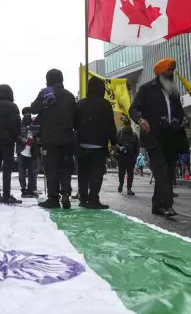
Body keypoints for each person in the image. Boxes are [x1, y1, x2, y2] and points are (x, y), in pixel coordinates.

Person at [129, 58, 187, 217]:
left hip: (171, 137)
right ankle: (167, 205)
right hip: (153, 137)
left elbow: (179, 111)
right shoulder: (146, 89)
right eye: (168, 70)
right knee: (161, 170)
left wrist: (183, 119)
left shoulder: (173, 91)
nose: (171, 74)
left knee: (168, 172)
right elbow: (133, 109)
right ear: (161, 72)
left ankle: (157, 205)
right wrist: (140, 119)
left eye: (172, 70)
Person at [30, 69, 77, 209]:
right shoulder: (69, 96)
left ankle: (53, 198)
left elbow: (33, 109)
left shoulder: (45, 93)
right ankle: (66, 194)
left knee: (52, 168)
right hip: (67, 138)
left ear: (48, 79)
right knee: (65, 167)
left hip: (49, 139)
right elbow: (75, 117)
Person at [75, 77, 116, 209]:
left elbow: (74, 124)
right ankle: (93, 199)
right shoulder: (105, 104)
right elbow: (110, 126)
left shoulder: (80, 104)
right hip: (99, 144)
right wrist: (114, 143)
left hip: (81, 144)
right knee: (96, 173)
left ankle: (82, 197)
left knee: (83, 173)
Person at [17, 107, 41, 198]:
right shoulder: (19, 124)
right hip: (21, 150)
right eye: (26, 113)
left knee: (32, 171)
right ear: (23, 114)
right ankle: (24, 190)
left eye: (29, 113)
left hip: (33, 150)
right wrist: (23, 140)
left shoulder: (35, 124)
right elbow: (16, 136)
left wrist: (35, 140)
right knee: (22, 171)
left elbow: (39, 136)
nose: (28, 115)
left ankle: (31, 189)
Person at [116, 117, 138, 195]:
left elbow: (137, 147)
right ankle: (125, 187)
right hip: (126, 157)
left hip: (126, 157)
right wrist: (120, 148)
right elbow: (115, 144)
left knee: (125, 173)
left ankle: (125, 186)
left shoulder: (132, 134)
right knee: (126, 173)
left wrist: (135, 158)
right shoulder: (121, 133)